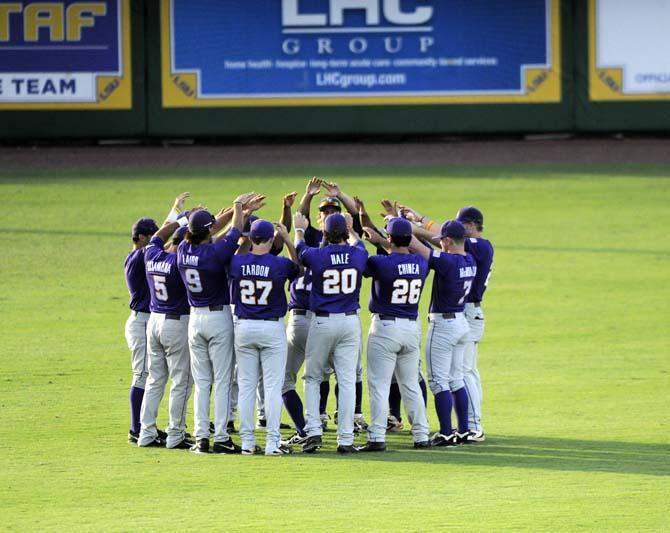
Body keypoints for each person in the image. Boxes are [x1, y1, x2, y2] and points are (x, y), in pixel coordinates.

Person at [177, 193, 254, 454]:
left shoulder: (182, 249)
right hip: (218, 317)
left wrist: (235, 212)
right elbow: (234, 231)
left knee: (202, 383)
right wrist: (238, 207)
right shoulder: (214, 253)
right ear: (207, 230)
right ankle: (220, 437)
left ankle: (201, 437)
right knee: (221, 380)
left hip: (194, 320)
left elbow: (215, 230)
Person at [297, 177, 368, 432]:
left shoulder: (313, 248)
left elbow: (299, 235)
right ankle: (344, 433)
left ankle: (315, 427)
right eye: (324, 210)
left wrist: (340, 195)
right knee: (343, 376)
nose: (327, 213)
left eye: (331, 211)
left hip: (323, 318)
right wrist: (308, 197)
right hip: (348, 319)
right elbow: (357, 230)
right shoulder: (357, 252)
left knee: (316, 375)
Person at [358, 217, 431, 451]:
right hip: (411, 328)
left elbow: (366, 266)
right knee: (410, 383)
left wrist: (376, 241)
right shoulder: (421, 263)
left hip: (385, 328)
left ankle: (377, 437)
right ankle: (421, 435)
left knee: (379, 385)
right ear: (409, 238)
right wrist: (385, 241)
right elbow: (406, 256)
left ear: (389, 238)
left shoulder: (380, 263)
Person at [229, 220, 301, 455]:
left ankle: (248, 443)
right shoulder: (279, 264)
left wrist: (241, 239)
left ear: (251, 238)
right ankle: (272, 443)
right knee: (272, 387)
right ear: (271, 240)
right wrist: (289, 239)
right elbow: (299, 268)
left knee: (247, 386)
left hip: (244, 327)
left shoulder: (237, 261)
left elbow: (230, 257)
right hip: (271, 329)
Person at [409, 220, 477, 446]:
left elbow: (420, 249)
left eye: (443, 242)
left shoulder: (447, 262)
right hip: (461, 324)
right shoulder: (469, 260)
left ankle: (447, 432)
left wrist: (404, 228)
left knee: (439, 382)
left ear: (448, 241)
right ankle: (464, 430)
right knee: (456, 379)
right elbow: (437, 252)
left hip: (443, 325)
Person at [138, 207, 193, 449]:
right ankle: (175, 434)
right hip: (176, 324)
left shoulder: (152, 255)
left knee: (154, 380)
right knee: (182, 380)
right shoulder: (180, 262)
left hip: (154, 323)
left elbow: (158, 235)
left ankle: (146, 432)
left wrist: (181, 218)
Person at [456, 207, 494, 442]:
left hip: (470, 313)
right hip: (472, 313)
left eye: (461, 225)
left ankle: (474, 426)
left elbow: (442, 234)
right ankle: (473, 422)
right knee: (469, 371)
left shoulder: (480, 245)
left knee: (464, 371)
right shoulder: (476, 245)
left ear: (471, 225)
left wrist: (418, 223)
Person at [124, 216, 159, 444]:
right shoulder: (138, 258)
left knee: (151, 376)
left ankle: (147, 426)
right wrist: (177, 214)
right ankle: (136, 428)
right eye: (153, 236)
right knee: (142, 375)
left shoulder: (141, 255)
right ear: (142, 238)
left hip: (147, 321)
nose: (157, 240)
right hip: (142, 322)